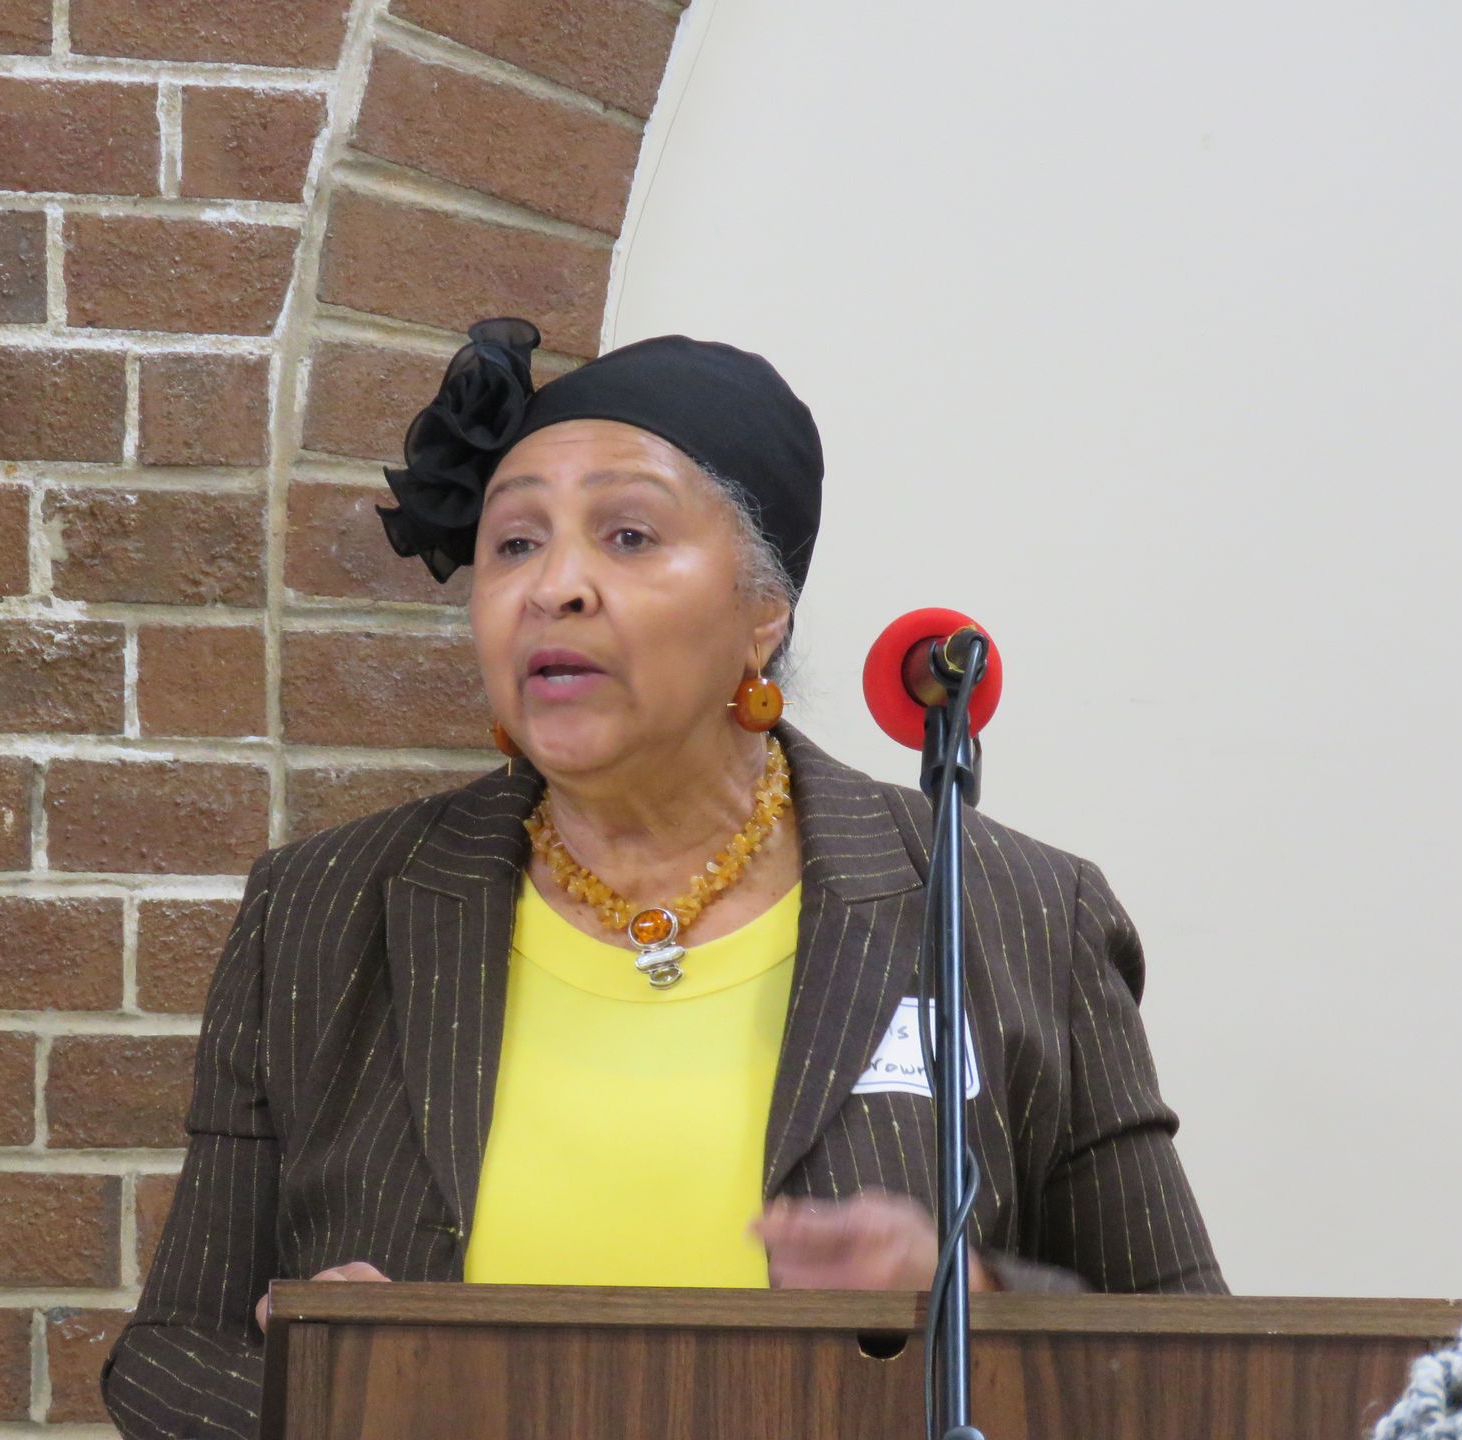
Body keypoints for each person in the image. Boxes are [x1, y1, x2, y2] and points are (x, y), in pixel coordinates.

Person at [101, 318, 1225, 1440]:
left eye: (629, 535)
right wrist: (337, 1405)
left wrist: (974, 1311)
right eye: (515, 543)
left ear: (762, 616)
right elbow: (172, 1357)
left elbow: (1193, 1370)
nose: (557, 587)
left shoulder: (1009, 909)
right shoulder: (324, 911)